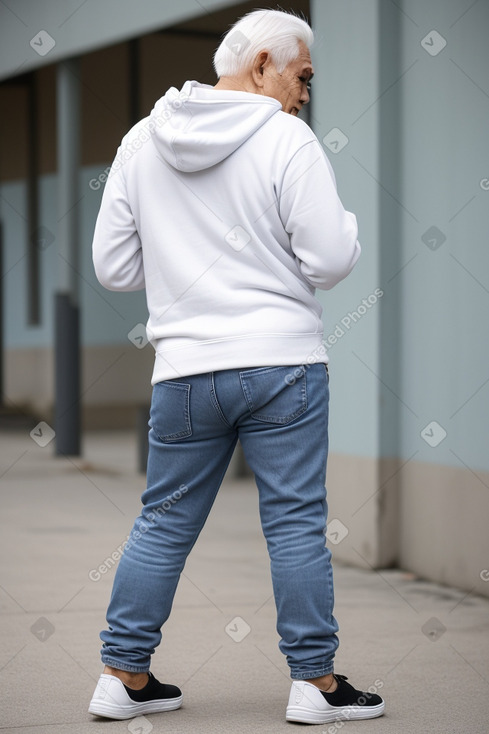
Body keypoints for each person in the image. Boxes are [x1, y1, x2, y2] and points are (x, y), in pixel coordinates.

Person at [89, 8, 385, 725]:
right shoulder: (287, 139)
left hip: (185, 371)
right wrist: (339, 229)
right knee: (292, 524)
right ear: (260, 65)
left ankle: (122, 677)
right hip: (281, 364)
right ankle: (314, 686)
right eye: (301, 73)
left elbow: (113, 267)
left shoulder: (140, 140)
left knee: (161, 523)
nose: (305, 91)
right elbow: (329, 259)